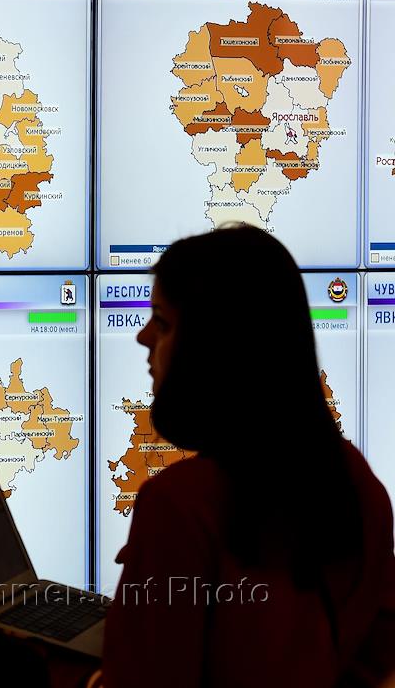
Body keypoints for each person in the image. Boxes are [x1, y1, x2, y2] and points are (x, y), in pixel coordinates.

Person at [94, 225, 395, 688]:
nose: (143, 336)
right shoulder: (356, 479)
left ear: (215, 349)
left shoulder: (179, 506)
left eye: (164, 322)